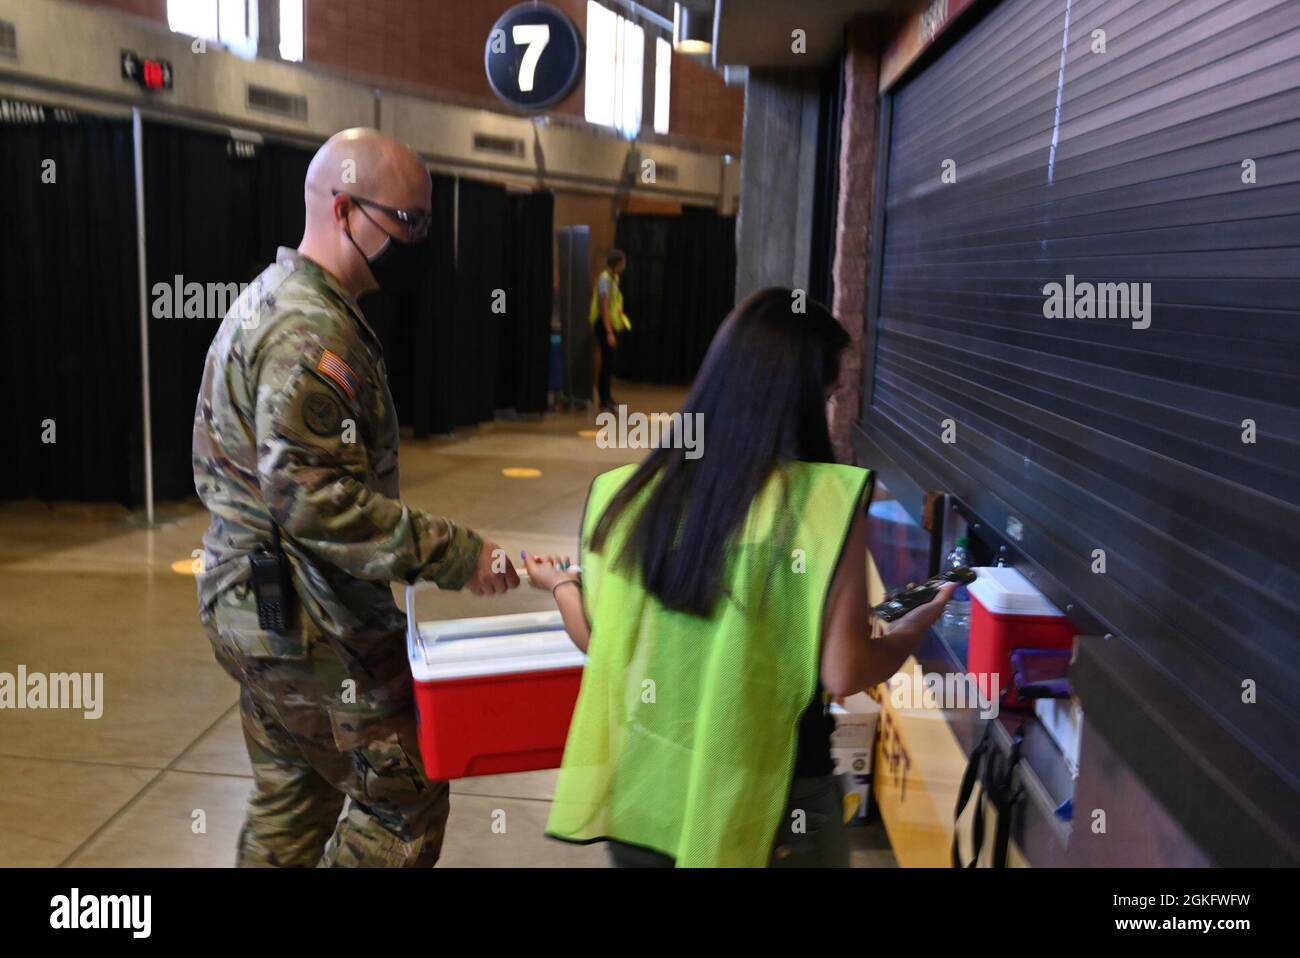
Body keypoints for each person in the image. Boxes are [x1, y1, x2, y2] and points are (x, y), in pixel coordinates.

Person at [523, 288, 954, 867]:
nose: (831, 411)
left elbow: (601, 642)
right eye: (827, 396)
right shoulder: (825, 502)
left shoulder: (629, 497)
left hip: (645, 799)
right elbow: (843, 671)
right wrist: (914, 629)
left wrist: (561, 586)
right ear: (800, 398)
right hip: (770, 808)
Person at [192, 127, 520, 868]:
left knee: (294, 802)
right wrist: (460, 555)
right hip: (301, 619)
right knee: (404, 798)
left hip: (258, 612)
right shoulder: (309, 331)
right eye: (407, 222)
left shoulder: (271, 299)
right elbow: (311, 499)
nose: (419, 239)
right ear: (343, 210)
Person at [589, 248, 630, 411]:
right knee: (606, 363)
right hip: (603, 324)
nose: (624, 265)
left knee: (610, 363)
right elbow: (604, 306)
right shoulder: (604, 280)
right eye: (623, 262)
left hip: (612, 323)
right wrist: (608, 332)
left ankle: (608, 397)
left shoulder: (615, 279)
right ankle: (603, 400)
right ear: (617, 263)